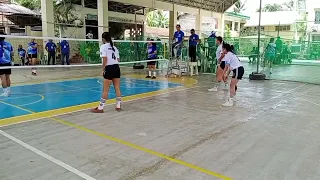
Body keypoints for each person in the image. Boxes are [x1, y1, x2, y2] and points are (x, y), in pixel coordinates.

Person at [91, 32, 122, 113]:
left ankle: (100, 108)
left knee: (105, 90)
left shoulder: (103, 47)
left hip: (109, 68)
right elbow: (118, 60)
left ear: (103, 39)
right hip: (116, 67)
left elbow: (105, 59)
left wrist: (103, 70)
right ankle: (118, 106)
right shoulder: (115, 47)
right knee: (117, 88)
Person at [0, 32, 13, 97]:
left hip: (1, 63)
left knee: (3, 78)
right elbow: (11, 53)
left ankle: (5, 93)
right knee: (7, 77)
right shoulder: (9, 44)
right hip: (8, 63)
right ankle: (8, 91)